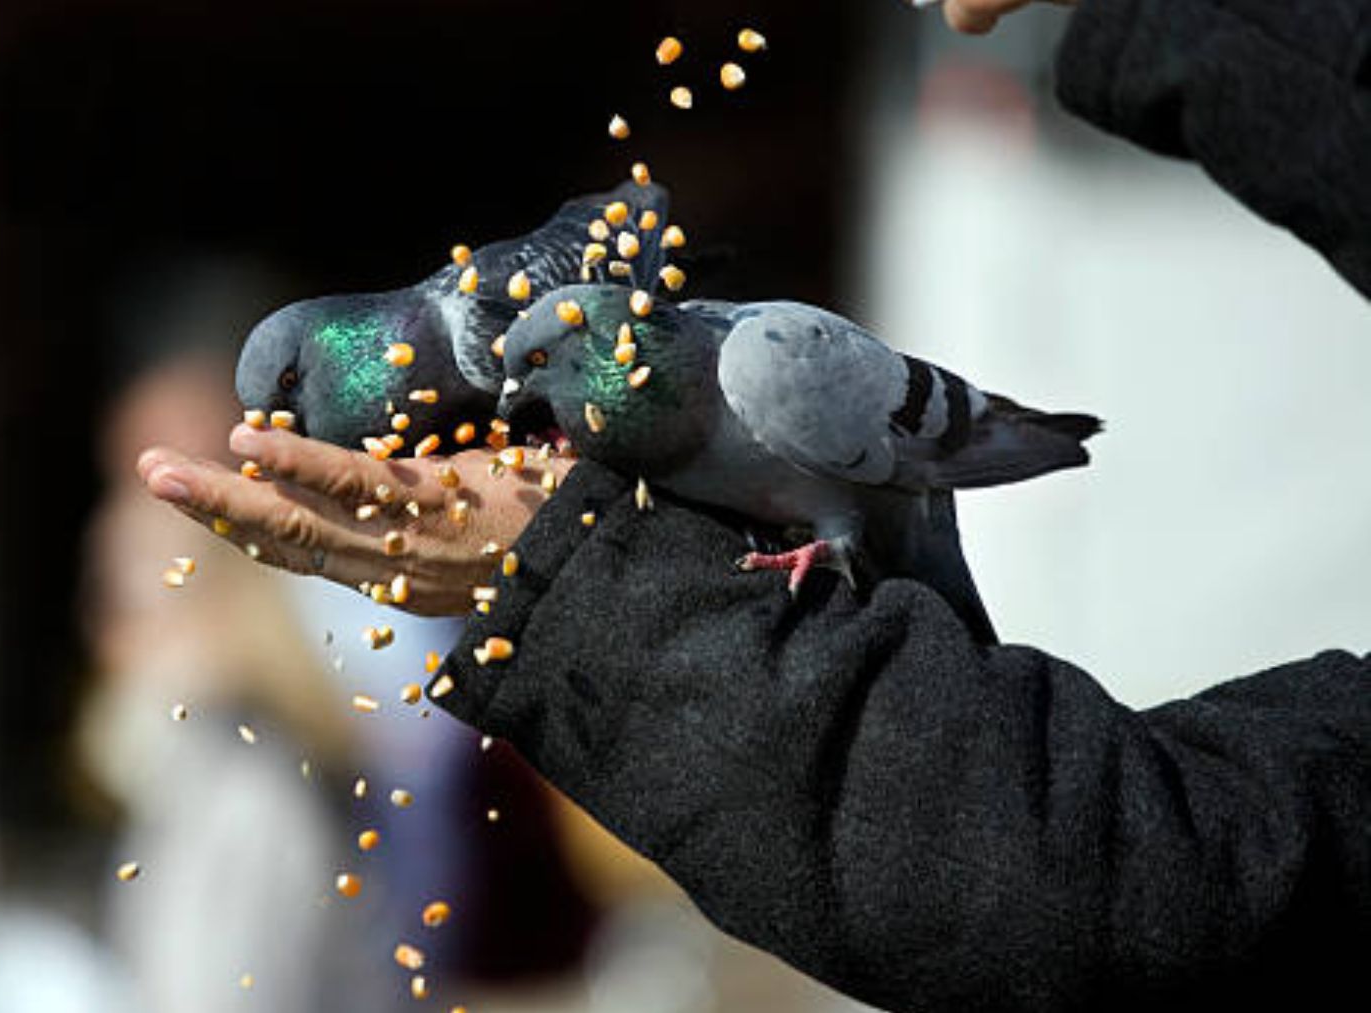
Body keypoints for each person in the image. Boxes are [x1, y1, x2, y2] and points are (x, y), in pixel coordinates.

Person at [136, 1, 1371, 1009]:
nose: (294, 415)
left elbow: (1134, 882)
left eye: (298, 387)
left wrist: (588, 568)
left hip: (853, 480)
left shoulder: (483, 318)